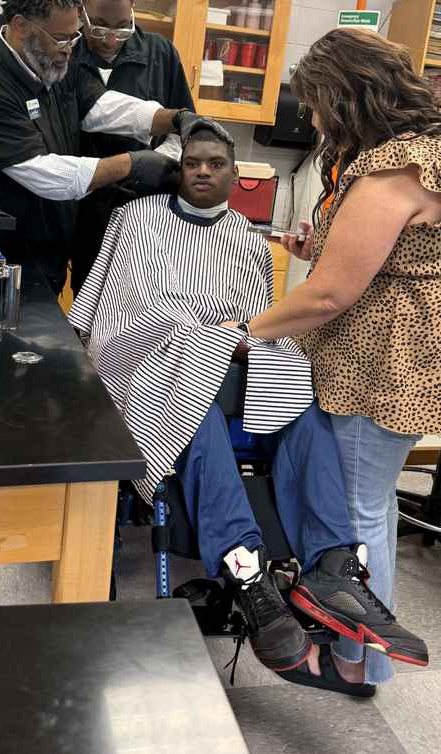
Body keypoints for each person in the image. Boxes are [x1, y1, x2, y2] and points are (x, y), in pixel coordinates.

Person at [69, 115, 427, 690]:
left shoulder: (247, 238)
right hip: (153, 352)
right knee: (192, 398)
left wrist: (238, 340)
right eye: (192, 164)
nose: (203, 173)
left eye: (215, 165)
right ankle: (248, 575)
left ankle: (333, 566)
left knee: (298, 397)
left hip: (236, 352)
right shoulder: (132, 219)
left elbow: (262, 318)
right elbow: (105, 310)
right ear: (178, 170)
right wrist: (187, 338)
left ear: (237, 175)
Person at [243, 27, 441, 690]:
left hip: (379, 366)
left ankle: (356, 663)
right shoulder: (423, 154)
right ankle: (365, 655)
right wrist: (316, 244)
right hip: (409, 356)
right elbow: (387, 260)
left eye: (319, 103)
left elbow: (330, 294)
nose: (315, 119)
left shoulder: (391, 171)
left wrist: (248, 329)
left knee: (357, 513)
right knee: (372, 503)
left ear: (350, 97)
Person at [0, 0, 182, 293]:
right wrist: (132, 163)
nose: (69, 48)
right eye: (60, 38)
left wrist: (174, 118)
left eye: (74, 37)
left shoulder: (54, 66)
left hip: (50, 253)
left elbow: (104, 107)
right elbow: (44, 174)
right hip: (0, 259)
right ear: (20, 27)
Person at [71, 0, 195, 294]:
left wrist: (155, 164)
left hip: (145, 210)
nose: (111, 38)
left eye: (123, 27)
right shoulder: (67, 54)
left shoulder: (160, 54)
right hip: (82, 210)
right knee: (86, 301)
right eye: (99, 27)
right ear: (81, 12)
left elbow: (182, 129)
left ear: (134, 13)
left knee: (137, 299)